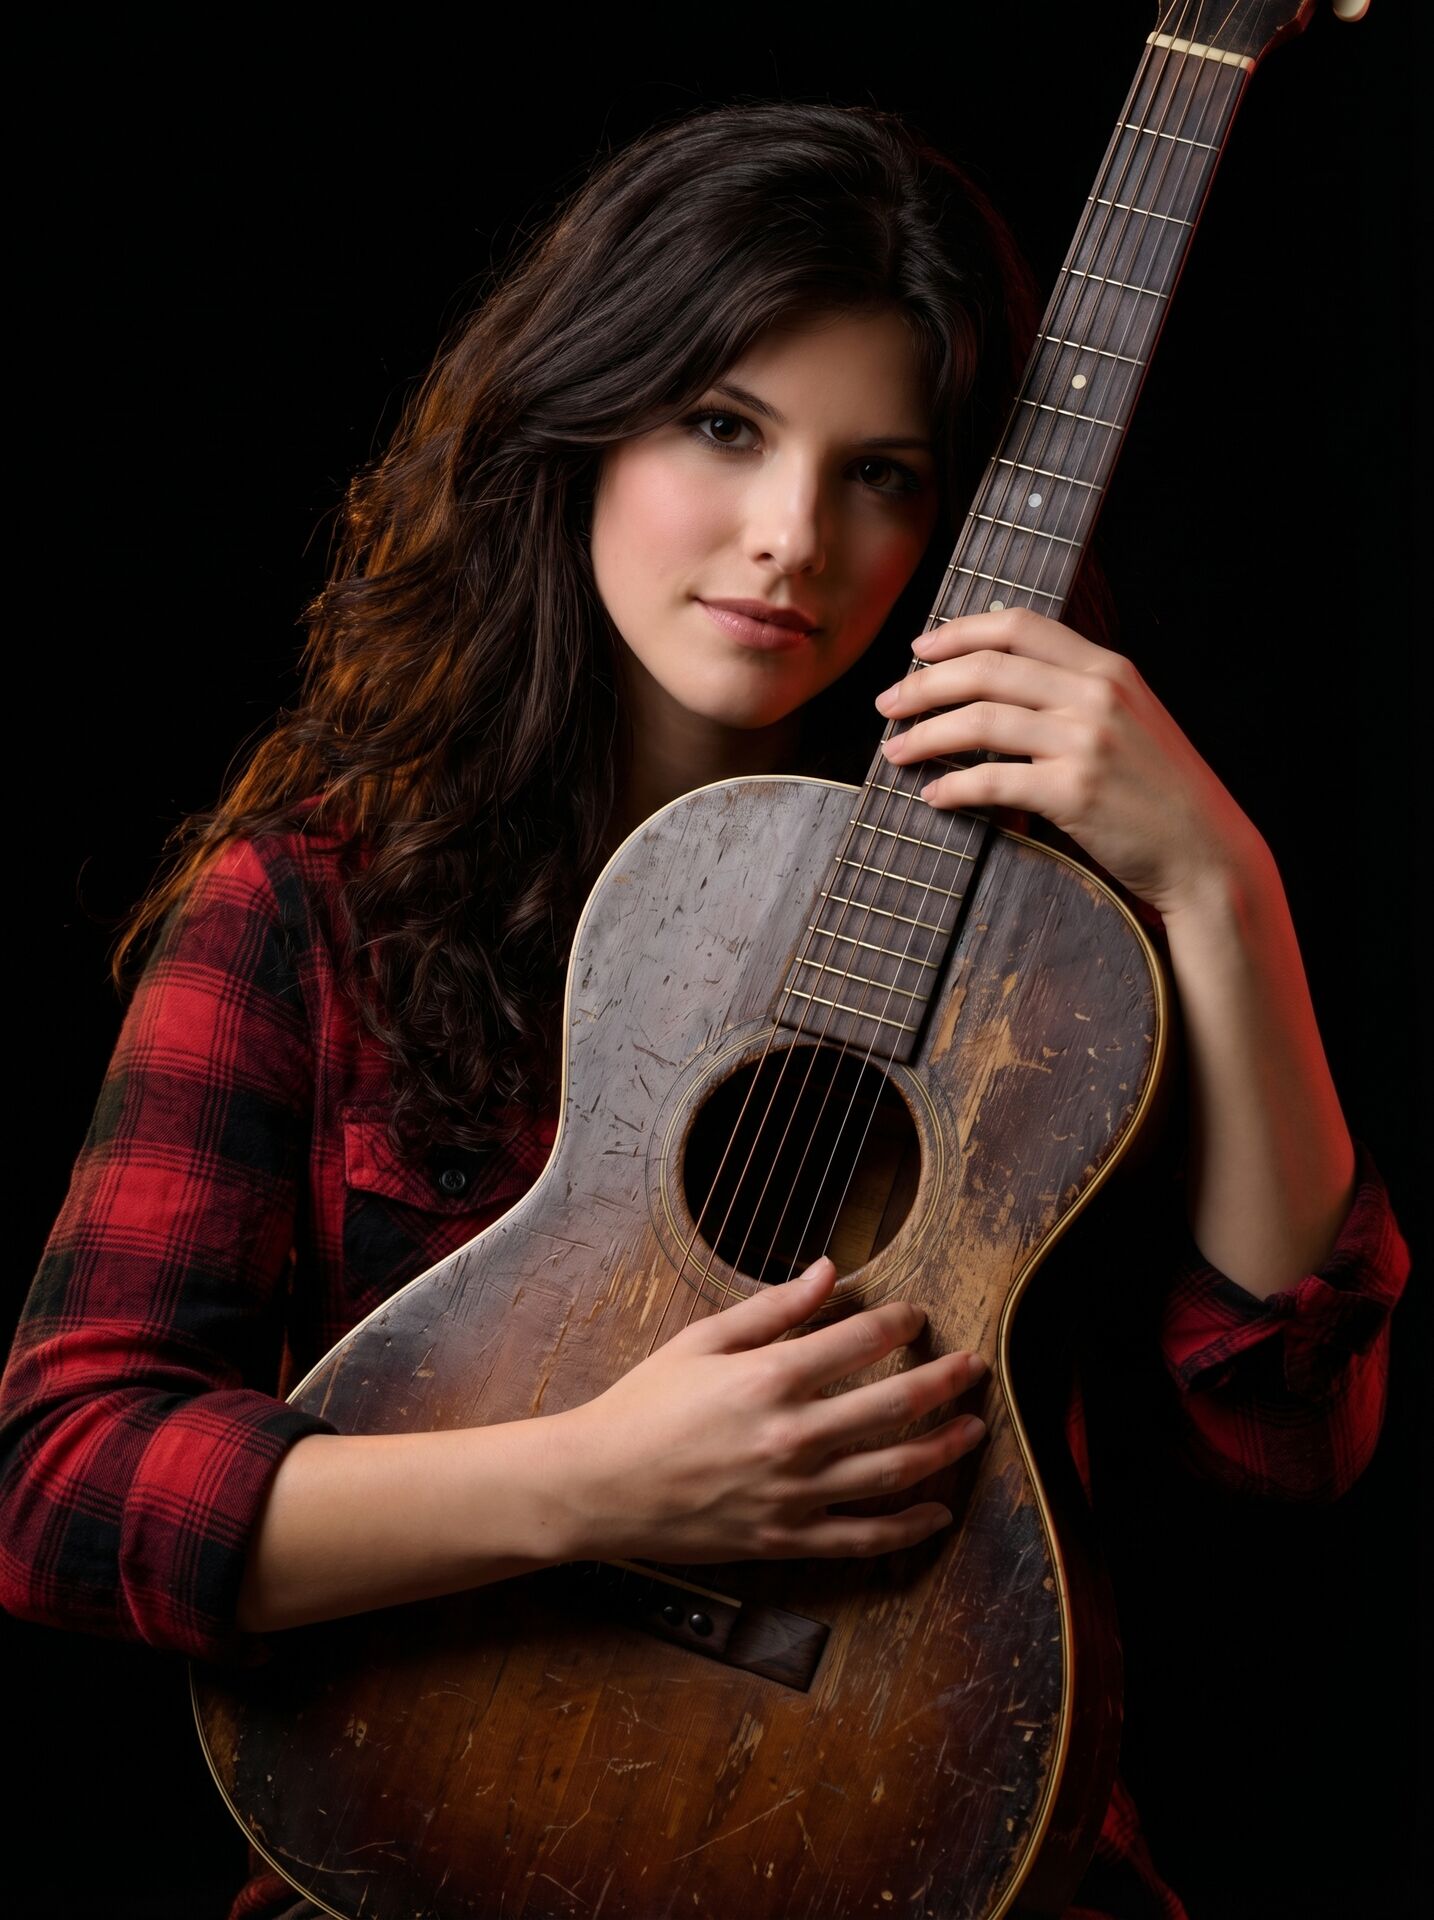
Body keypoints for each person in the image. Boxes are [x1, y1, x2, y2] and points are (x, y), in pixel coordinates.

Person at [0, 100, 1408, 1920]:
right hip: (427, 1854)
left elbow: (1290, 1440)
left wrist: (1227, 888)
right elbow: (67, 1490)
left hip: (937, 1849)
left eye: (882, 472)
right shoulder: (314, 906)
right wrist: (596, 1484)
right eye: (722, 428)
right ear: (581, 417)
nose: (787, 538)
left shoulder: (1047, 947)